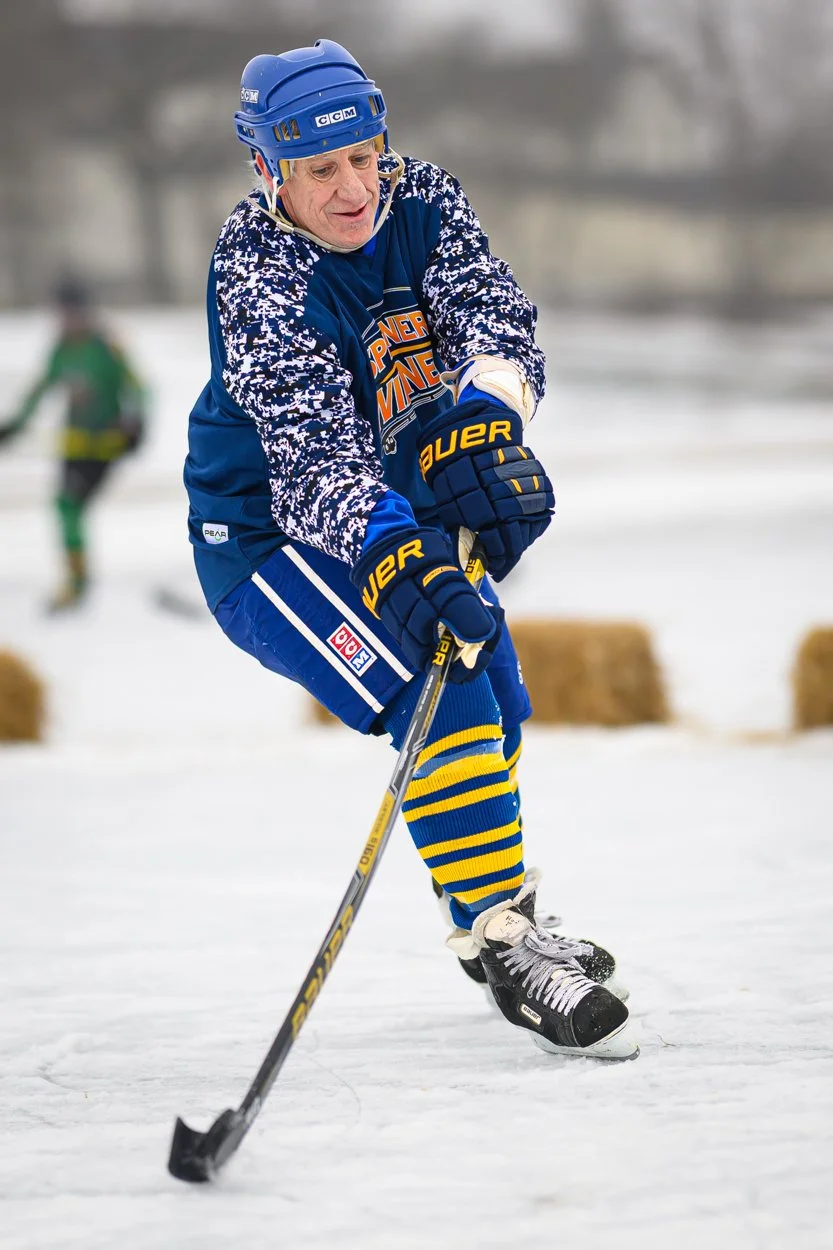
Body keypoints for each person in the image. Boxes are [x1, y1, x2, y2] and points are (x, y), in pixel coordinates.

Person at [184, 40, 637, 1060]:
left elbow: (497, 319)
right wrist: (400, 548)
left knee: (494, 693)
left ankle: (493, 924)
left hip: (397, 504)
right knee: (438, 692)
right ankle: (511, 947)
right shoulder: (256, 272)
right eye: (319, 170)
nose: (353, 188)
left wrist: (485, 421)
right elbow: (308, 458)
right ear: (270, 172)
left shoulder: (424, 200)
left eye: (364, 156)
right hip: (271, 541)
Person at [0, 279, 146, 611]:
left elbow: (137, 387)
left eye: (72, 313)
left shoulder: (106, 347)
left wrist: (135, 423)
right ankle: (77, 581)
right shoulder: (60, 350)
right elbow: (41, 389)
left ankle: (78, 584)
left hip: (104, 449)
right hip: (74, 446)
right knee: (67, 509)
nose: (66, 320)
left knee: (69, 506)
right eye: (61, 314)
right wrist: (14, 426)